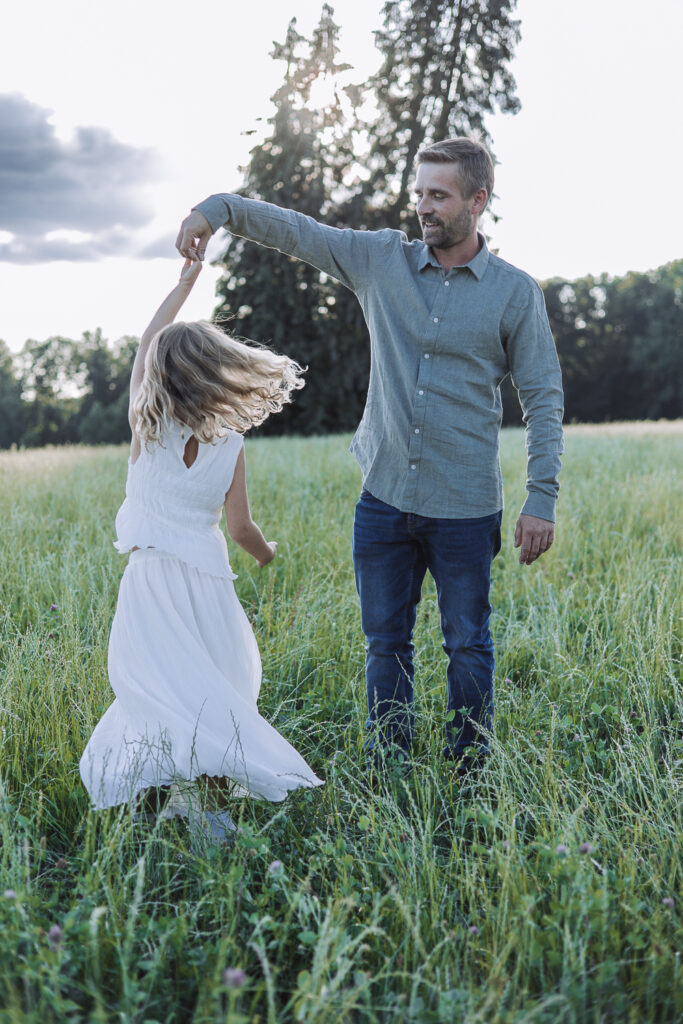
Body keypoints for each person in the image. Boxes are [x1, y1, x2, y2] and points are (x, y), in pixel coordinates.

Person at [176, 137, 564, 777]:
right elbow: (295, 231)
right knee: (386, 646)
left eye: (438, 195)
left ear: (478, 200)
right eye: (419, 194)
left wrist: (541, 497)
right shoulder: (380, 260)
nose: (423, 207)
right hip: (383, 500)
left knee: (467, 644)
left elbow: (543, 398)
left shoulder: (515, 294)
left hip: (465, 507)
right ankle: (388, 770)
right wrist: (217, 208)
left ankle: (468, 773)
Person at [79, 259, 323, 841]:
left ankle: (163, 797)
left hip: (152, 583)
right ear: (219, 373)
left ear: (157, 376)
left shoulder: (148, 426)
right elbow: (240, 527)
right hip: (208, 587)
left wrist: (183, 286)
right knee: (219, 691)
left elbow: (146, 345)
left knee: (160, 692)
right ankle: (201, 806)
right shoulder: (229, 443)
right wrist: (266, 556)